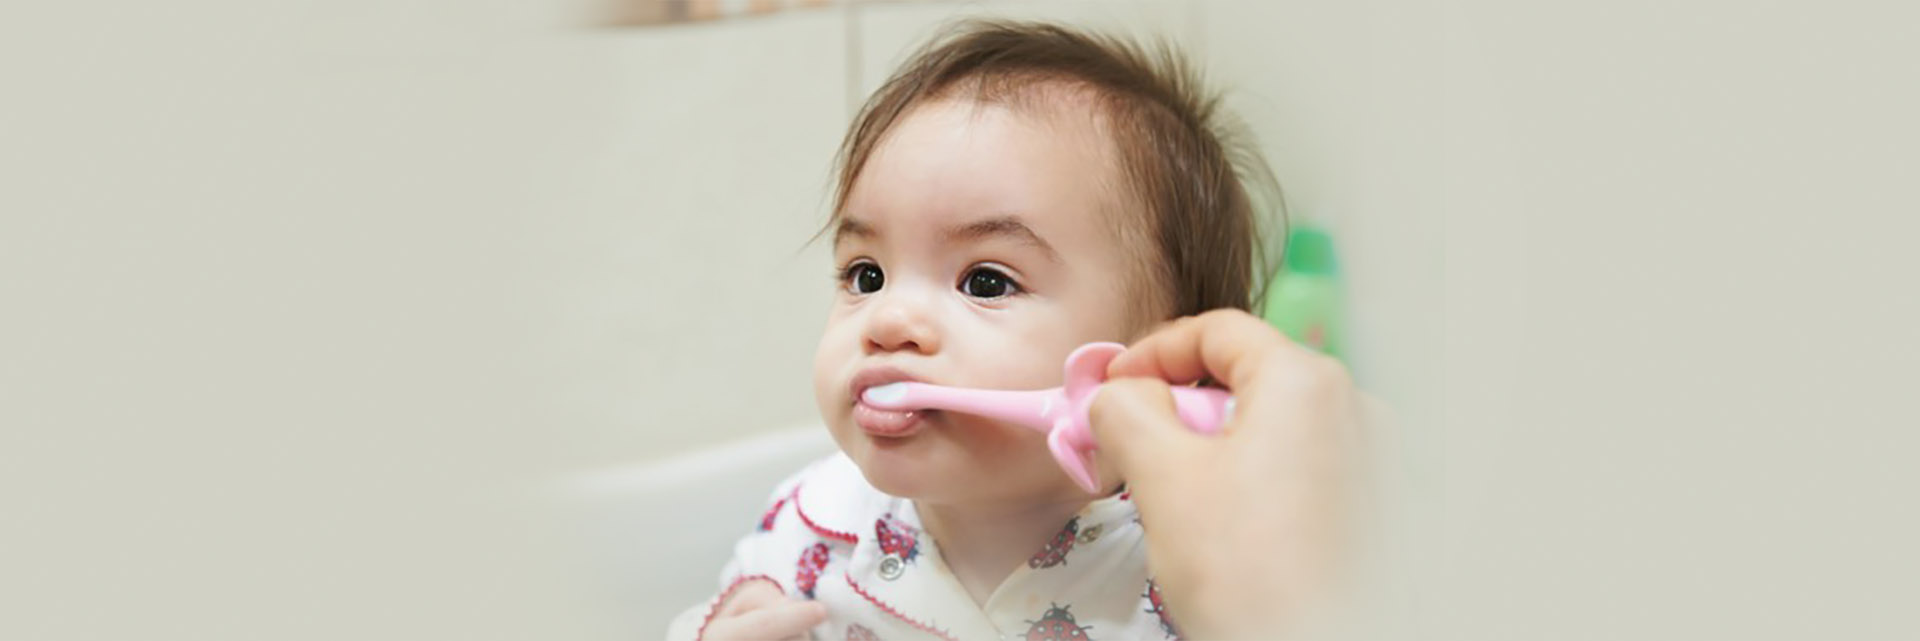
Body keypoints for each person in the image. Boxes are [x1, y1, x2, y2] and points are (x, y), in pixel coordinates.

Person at [667, 19, 1331, 641]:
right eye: (866, 275)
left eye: (986, 281)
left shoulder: (1196, 562)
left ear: (1158, 363)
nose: (887, 320)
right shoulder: (813, 520)